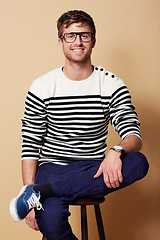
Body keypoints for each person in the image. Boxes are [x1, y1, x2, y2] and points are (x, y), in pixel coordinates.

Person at [9, 10, 149, 240]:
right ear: (60, 41)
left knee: (138, 162)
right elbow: (30, 143)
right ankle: (35, 193)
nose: (78, 42)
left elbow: (133, 134)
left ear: (93, 40)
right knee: (52, 223)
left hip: (93, 169)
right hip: (53, 167)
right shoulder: (43, 87)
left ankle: (42, 192)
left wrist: (116, 151)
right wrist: (28, 189)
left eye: (84, 35)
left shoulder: (111, 85)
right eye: (70, 36)